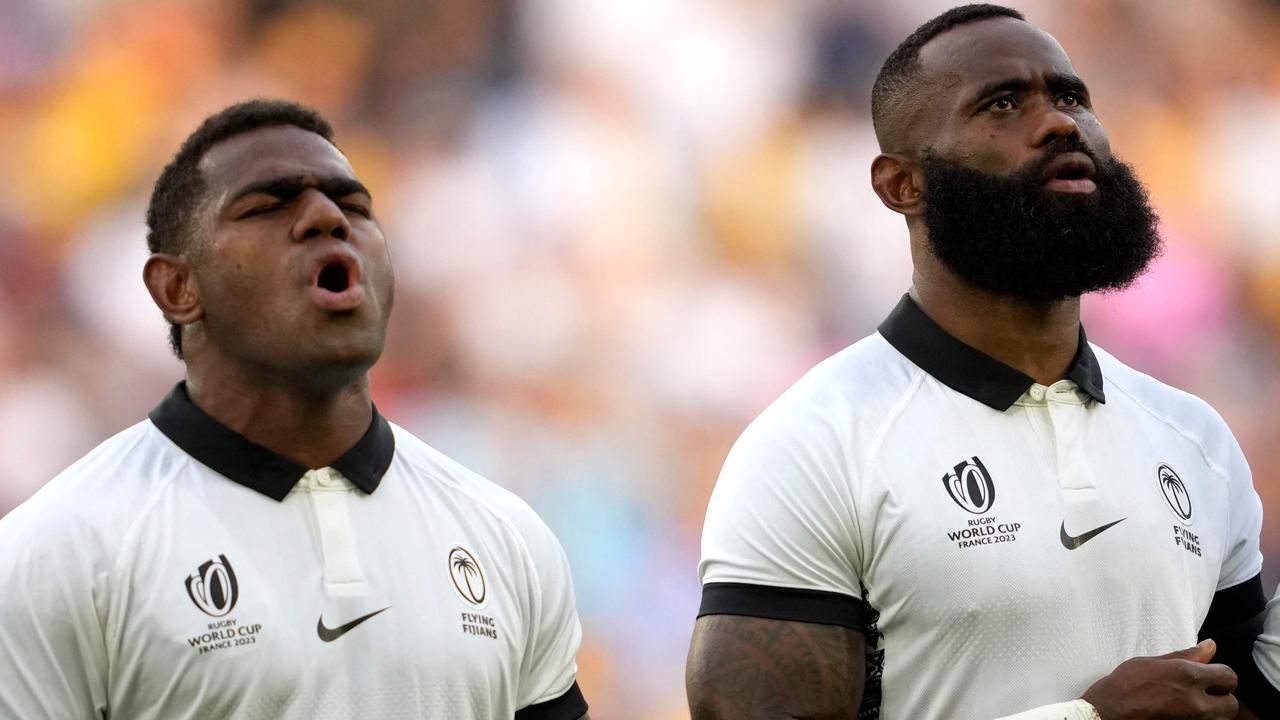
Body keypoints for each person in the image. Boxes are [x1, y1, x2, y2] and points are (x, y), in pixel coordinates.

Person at [686, 5, 1279, 719]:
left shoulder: (1196, 440)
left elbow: (1247, 701)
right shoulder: (814, 446)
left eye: (1070, 97)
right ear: (903, 185)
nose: (1061, 123)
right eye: (1002, 104)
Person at [0, 99, 590, 720]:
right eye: (266, 206)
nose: (325, 218)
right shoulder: (53, 557)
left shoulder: (507, 538)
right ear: (177, 288)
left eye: (355, 206)